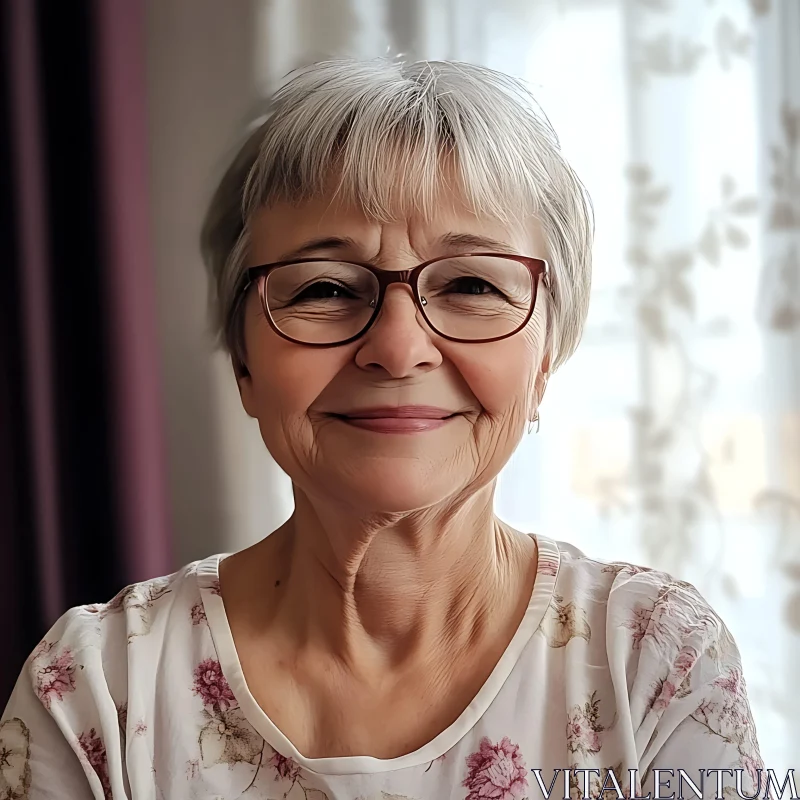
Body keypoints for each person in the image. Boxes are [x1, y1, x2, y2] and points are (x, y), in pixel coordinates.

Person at [1, 58, 765, 800]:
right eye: (326, 289)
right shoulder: (98, 689)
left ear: (543, 360)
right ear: (244, 362)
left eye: (471, 283)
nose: (398, 349)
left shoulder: (652, 659)